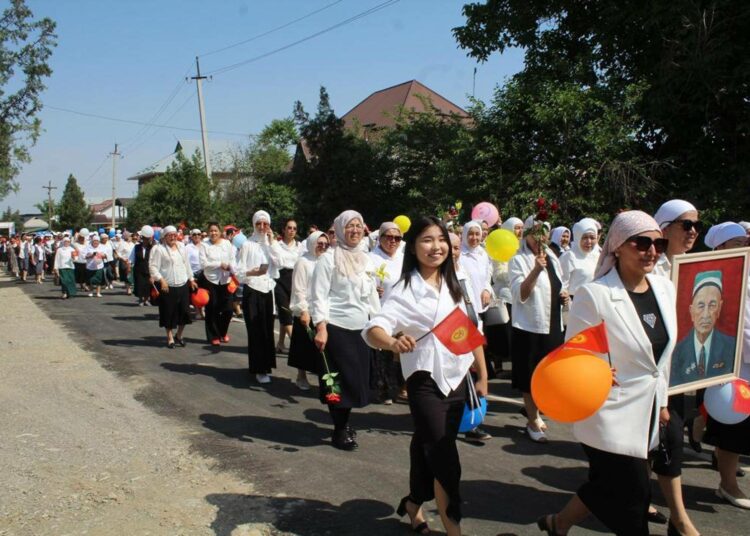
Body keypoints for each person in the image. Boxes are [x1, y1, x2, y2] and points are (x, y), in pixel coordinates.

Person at [538, 210, 676, 536]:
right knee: (634, 498)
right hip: (609, 411)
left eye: (659, 244)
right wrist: (597, 368)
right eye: (642, 243)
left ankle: (558, 524)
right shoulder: (595, 294)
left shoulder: (665, 288)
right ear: (618, 246)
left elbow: (662, 357)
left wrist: (663, 401)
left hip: (647, 412)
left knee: (607, 484)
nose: (652, 251)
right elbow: (575, 353)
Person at [364, 215, 488, 536]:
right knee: (445, 457)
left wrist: (482, 374)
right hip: (425, 382)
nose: (436, 247)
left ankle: (413, 503)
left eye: (441, 239)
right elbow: (375, 327)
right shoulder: (404, 288)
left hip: (457, 380)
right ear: (413, 247)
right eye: (427, 240)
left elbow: (468, 330)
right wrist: (392, 342)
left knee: (426, 448)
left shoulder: (455, 282)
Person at [310, 210, 380, 451]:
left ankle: (344, 423)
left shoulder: (366, 259)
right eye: (350, 226)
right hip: (336, 328)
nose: (355, 230)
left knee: (356, 381)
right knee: (338, 382)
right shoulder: (328, 259)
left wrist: (379, 324)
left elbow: (371, 296)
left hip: (361, 329)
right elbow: (318, 296)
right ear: (340, 229)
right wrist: (321, 327)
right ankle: (340, 429)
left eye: (359, 225)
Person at [700, 222, 750, 509]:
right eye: (737, 242)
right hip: (732, 365)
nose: (745, 246)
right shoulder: (715, 275)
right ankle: (728, 484)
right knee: (733, 428)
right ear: (721, 247)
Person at [510, 216, 568, 442]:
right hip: (529, 326)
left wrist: (564, 295)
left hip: (553, 323)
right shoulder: (518, 259)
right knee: (529, 374)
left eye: (543, 232)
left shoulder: (552, 256)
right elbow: (521, 295)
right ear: (526, 234)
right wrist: (535, 270)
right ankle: (532, 420)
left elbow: (559, 284)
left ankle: (533, 410)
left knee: (548, 374)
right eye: (534, 232)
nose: (539, 237)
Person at [671, 271, 736, 384]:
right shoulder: (677, 352)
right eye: (701, 306)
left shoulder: (731, 346)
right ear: (691, 311)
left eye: (712, 305)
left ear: (719, 309)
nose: (706, 315)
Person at [236, 211, 277, 383]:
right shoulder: (247, 244)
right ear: (254, 225)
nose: (262, 227)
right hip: (253, 290)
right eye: (259, 224)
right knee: (255, 330)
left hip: (268, 290)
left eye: (265, 224)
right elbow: (238, 272)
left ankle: (266, 366)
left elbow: (280, 263)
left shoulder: (272, 244)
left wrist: (272, 242)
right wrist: (251, 273)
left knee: (267, 330)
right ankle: (258, 368)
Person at [368, 222, 405, 404]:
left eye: (397, 238)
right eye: (389, 237)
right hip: (380, 309)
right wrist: (372, 288)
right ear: (380, 238)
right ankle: (383, 389)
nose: (393, 241)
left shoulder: (403, 258)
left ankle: (398, 387)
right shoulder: (371, 258)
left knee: (399, 350)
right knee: (382, 350)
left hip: (401, 310)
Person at [288, 230, 330, 390]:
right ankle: (301, 375)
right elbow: (299, 288)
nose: (323, 247)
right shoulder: (303, 262)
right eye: (320, 243)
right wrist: (303, 310)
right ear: (312, 243)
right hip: (307, 309)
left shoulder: (328, 261)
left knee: (321, 347)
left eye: (326, 244)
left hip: (322, 310)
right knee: (304, 346)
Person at [149, 225, 197, 348]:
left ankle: (179, 335)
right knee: (168, 312)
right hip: (168, 285)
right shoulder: (159, 249)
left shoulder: (182, 247)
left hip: (182, 283)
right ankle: (170, 337)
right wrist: (161, 280)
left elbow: (187, 264)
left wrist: (191, 279)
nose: (173, 237)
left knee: (185, 312)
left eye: (174, 235)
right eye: (170, 235)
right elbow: (153, 267)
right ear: (164, 237)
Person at [199, 222, 235, 346]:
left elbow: (232, 258)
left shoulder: (227, 244)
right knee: (212, 308)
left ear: (220, 232)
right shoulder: (204, 245)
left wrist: (231, 267)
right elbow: (203, 264)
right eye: (211, 231)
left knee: (228, 310)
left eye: (216, 230)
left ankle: (222, 332)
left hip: (226, 280)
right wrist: (219, 264)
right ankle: (213, 335)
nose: (213, 233)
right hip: (210, 280)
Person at [272, 218, 301, 354]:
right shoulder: (277, 245)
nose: (292, 231)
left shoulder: (300, 246)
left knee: (289, 313)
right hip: (280, 280)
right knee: (285, 313)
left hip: (295, 280)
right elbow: (278, 262)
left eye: (294, 228)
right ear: (284, 229)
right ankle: (298, 348)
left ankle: (280, 343)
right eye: (289, 228)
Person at [559, 218, 600, 298]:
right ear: (578, 237)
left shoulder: (598, 256)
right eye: (584, 237)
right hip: (575, 302)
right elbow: (561, 284)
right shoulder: (569, 256)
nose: (589, 241)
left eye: (592, 238)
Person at [130, 226, 155, 306]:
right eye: (144, 239)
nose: (146, 241)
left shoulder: (152, 248)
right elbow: (132, 258)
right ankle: (140, 299)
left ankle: (146, 299)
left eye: (147, 239)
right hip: (138, 269)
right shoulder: (136, 247)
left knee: (147, 285)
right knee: (139, 284)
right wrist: (129, 266)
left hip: (148, 269)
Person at [115, 231, 135, 295]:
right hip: (124, 262)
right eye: (130, 236)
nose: (131, 237)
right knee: (127, 276)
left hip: (132, 262)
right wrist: (123, 259)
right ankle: (128, 289)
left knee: (131, 276)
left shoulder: (132, 244)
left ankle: (129, 288)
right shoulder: (122, 244)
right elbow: (118, 253)